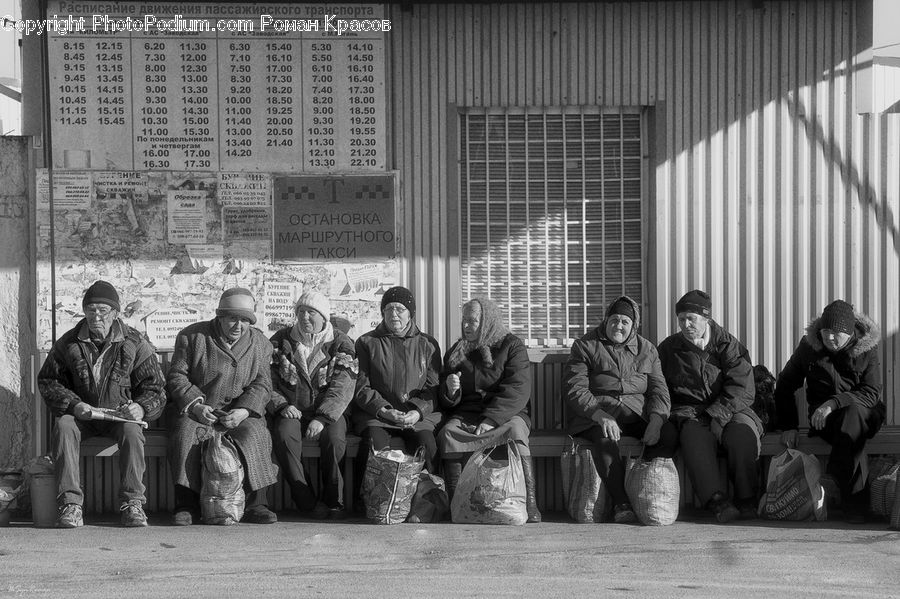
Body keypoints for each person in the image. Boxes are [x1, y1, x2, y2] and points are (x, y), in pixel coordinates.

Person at [38, 280, 166, 528]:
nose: (96, 316)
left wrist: (140, 407)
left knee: (132, 430)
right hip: (83, 416)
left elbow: (156, 388)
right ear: (84, 311)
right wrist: (74, 405)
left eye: (103, 310)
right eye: (91, 310)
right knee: (64, 425)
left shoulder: (134, 343)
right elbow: (49, 381)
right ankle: (71, 505)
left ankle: (133, 504)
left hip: (118, 416)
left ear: (115, 313)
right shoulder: (69, 343)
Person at [166, 287, 279, 525]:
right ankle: (186, 505)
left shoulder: (260, 343)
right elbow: (177, 376)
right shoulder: (193, 337)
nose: (238, 325)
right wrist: (196, 405)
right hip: (201, 410)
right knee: (185, 434)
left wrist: (244, 411)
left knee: (255, 434)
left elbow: (263, 384)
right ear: (220, 316)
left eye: (245, 320)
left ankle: (257, 504)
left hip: (240, 412)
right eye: (232, 318)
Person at [563, 296, 678, 524]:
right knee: (605, 439)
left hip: (635, 413)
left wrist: (656, 420)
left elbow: (659, 391)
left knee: (669, 434)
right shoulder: (585, 345)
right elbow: (574, 389)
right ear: (606, 320)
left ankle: (644, 492)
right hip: (595, 415)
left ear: (633, 326)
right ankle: (621, 502)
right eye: (614, 320)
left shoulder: (647, 349)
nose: (618, 326)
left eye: (625, 321)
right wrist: (600, 415)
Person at [657, 289, 762, 523]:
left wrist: (719, 415)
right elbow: (658, 385)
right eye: (681, 319)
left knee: (741, 436)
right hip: (689, 411)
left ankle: (747, 500)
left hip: (734, 408)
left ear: (706, 319)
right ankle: (717, 502)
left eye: (691, 319)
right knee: (694, 436)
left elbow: (743, 386)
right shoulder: (668, 348)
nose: (685, 324)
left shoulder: (727, 345)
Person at [774, 299, 884, 523]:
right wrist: (788, 426)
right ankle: (854, 508)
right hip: (825, 420)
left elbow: (872, 392)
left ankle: (833, 478)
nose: (830, 338)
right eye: (826, 332)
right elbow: (785, 384)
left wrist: (833, 402)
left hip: (866, 414)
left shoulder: (866, 349)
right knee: (853, 438)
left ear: (850, 332)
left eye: (837, 334)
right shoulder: (808, 347)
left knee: (854, 415)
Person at [438, 297, 542, 523]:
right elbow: (446, 399)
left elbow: (517, 388)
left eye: (473, 321)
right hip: (468, 414)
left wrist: (491, 419)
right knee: (448, 433)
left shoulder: (511, 345)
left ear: (488, 321)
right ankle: (457, 503)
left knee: (515, 431)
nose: (466, 326)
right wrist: (451, 391)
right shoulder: (457, 351)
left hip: (507, 413)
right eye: (464, 321)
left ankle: (530, 505)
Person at [269, 291, 358, 519]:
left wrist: (322, 417)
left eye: (311, 312)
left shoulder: (341, 343)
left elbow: (344, 385)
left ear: (323, 316)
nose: (305, 317)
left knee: (334, 440)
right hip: (291, 409)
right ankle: (306, 501)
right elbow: (266, 380)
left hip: (329, 412)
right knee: (284, 436)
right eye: (301, 312)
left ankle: (333, 501)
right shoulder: (281, 341)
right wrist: (281, 405)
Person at [353, 286, 442, 504]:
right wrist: (384, 410)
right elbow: (362, 387)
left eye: (400, 309)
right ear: (382, 312)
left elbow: (433, 388)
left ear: (410, 313)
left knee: (427, 444)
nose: (394, 314)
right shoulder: (366, 343)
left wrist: (417, 412)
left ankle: (431, 502)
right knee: (374, 447)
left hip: (416, 417)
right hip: (378, 416)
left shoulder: (428, 344)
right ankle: (369, 503)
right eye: (389, 309)